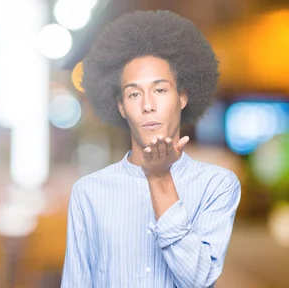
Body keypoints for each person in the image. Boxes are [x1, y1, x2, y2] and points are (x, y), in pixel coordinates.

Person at [61, 10, 241, 288]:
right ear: (121, 106)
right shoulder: (89, 192)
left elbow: (199, 280)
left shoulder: (217, 185)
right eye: (134, 93)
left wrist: (160, 179)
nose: (148, 105)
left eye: (159, 90)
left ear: (182, 96)